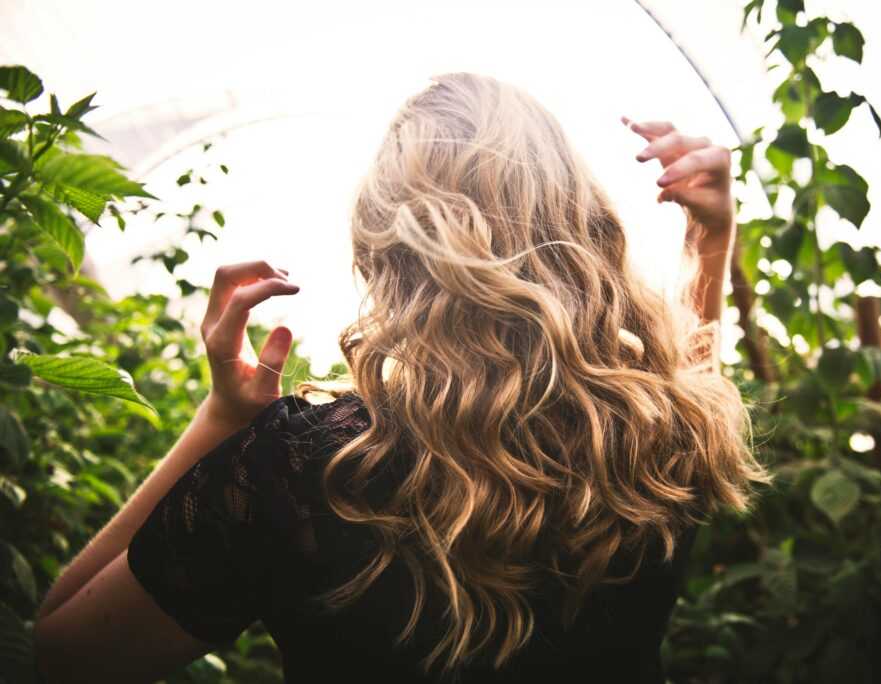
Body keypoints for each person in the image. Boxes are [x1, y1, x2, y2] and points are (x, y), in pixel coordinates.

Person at [32, 72, 771, 683]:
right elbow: (689, 379)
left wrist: (222, 420)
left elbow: (60, 653)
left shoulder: (301, 472)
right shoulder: (662, 435)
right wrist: (711, 238)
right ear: (579, 222)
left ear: (385, 247)